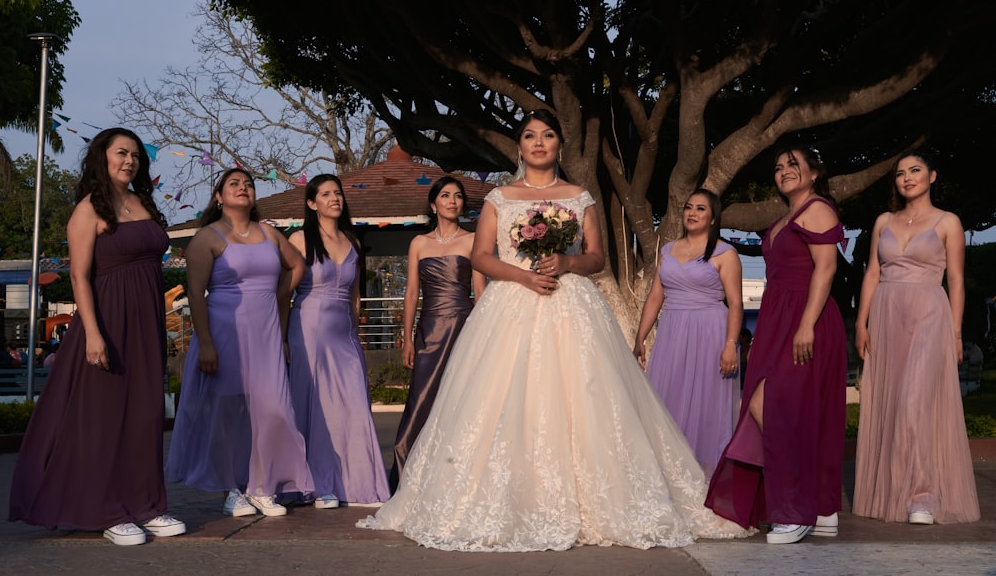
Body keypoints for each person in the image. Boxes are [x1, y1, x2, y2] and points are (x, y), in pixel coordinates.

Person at [358, 109, 749, 551]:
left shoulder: (579, 196)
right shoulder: (498, 198)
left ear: (559, 145)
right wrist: (522, 276)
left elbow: (598, 257)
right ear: (520, 147)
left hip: (571, 303)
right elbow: (481, 257)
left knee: (585, 398)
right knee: (502, 399)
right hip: (511, 302)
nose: (539, 142)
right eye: (529, 136)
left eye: (547, 135)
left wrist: (566, 262)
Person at [8, 127, 185, 546]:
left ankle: (146, 504)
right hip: (106, 320)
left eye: (136, 156)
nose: (130, 161)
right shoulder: (88, 209)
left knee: (144, 415)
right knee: (103, 419)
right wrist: (92, 334)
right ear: (101, 158)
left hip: (146, 322)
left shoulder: (143, 203)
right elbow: (80, 277)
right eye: (121, 153)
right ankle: (105, 508)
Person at [705, 146, 847, 544]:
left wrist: (806, 325)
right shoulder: (787, 217)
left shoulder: (817, 209)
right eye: (779, 167)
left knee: (774, 407)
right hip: (778, 318)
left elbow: (827, 267)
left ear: (814, 172)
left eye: (793, 165)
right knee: (789, 410)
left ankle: (795, 508)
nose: (784, 171)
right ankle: (822, 508)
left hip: (807, 317)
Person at [166, 168, 314, 517]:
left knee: (272, 409)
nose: (243, 188)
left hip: (265, 333)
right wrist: (204, 343)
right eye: (234, 184)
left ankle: (263, 485)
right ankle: (231, 488)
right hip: (224, 330)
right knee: (227, 413)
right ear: (218, 196)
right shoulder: (207, 237)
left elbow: (297, 266)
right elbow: (196, 295)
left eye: (248, 184)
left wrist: (278, 296)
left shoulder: (270, 233)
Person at [852, 150, 979, 524]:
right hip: (887, 316)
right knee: (889, 403)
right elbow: (872, 273)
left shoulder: (948, 222)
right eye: (901, 173)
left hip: (929, 315)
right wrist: (862, 323)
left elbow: (955, 280)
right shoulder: (882, 222)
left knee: (913, 402)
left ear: (932, 176)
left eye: (916, 171)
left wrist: (955, 333)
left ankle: (923, 495)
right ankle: (896, 489)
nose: (907, 178)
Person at [286, 174, 390, 507]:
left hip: (344, 333)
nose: (335, 198)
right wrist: (283, 339)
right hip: (308, 328)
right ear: (312, 203)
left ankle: (358, 483)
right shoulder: (299, 239)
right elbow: (282, 291)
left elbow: (355, 295)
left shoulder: (352, 241)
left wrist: (355, 332)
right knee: (316, 406)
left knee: (354, 405)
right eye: (326, 194)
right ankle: (317, 484)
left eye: (338, 193)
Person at [634, 188, 742, 478]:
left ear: (713, 217)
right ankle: (672, 478)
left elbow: (735, 303)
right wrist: (640, 338)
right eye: (688, 207)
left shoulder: (726, 253)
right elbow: (656, 296)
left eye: (700, 209)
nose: (692, 213)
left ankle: (706, 481)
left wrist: (731, 344)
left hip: (710, 333)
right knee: (667, 403)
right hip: (672, 332)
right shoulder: (668, 250)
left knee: (705, 409)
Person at [388, 176, 486, 491]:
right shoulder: (418, 242)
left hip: (463, 326)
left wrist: (486, 333)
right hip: (428, 330)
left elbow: (480, 290)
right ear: (434, 204)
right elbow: (411, 292)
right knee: (421, 399)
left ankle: (457, 476)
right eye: (445, 195)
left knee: (462, 400)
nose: (452, 201)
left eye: (458, 196)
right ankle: (408, 475)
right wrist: (406, 337)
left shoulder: (473, 240)